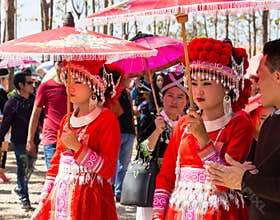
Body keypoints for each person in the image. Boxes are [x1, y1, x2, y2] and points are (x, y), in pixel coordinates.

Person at [205, 38, 280, 220]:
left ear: (278, 77)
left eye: (260, 76)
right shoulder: (272, 120)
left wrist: (246, 180)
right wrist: (247, 173)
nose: (257, 84)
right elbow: (269, 180)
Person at [152, 37, 254, 220]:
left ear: (226, 86)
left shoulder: (240, 124)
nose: (198, 91)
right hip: (178, 212)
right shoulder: (183, 124)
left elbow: (224, 183)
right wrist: (158, 214)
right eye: (193, 83)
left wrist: (203, 139)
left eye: (207, 83)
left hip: (220, 213)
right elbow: (166, 176)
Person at [32, 60, 124, 220]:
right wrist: (43, 200)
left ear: (94, 85)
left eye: (77, 81)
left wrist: (78, 147)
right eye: (67, 80)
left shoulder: (107, 119)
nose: (70, 87)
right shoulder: (66, 120)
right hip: (60, 197)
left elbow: (108, 170)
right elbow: (55, 166)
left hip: (90, 200)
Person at [136, 70, 188, 220]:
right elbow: (141, 153)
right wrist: (157, 131)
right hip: (152, 185)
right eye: (170, 95)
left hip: (180, 185)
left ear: (186, 101)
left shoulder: (189, 125)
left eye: (180, 97)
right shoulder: (150, 120)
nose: (174, 101)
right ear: (162, 97)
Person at [0, 72, 40, 210]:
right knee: (23, 168)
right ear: (20, 85)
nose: (33, 85)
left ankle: (19, 188)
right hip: (19, 143)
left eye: (33, 82)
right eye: (29, 83)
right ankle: (24, 198)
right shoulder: (11, 103)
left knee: (29, 168)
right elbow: (5, 124)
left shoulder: (35, 101)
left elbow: (42, 120)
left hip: (34, 142)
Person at [26, 61, 67, 170]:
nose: (63, 67)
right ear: (55, 65)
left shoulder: (77, 88)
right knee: (53, 176)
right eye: (60, 64)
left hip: (71, 140)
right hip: (51, 138)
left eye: (66, 63)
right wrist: (30, 140)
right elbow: (35, 114)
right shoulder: (45, 87)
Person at [110, 74, 136, 203]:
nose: (129, 80)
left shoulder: (127, 93)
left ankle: (119, 191)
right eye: (127, 78)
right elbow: (115, 111)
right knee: (114, 163)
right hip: (117, 131)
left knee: (124, 164)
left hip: (129, 132)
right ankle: (111, 188)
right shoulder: (114, 93)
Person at [244, 94, 274, 162]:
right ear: (251, 117)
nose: (268, 122)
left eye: (271, 118)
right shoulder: (242, 141)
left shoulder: (275, 143)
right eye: (263, 118)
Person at [0, 68, 10, 182]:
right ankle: (1, 172)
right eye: (6, 79)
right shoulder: (1, 92)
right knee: (3, 147)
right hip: (2, 122)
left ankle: (2, 172)